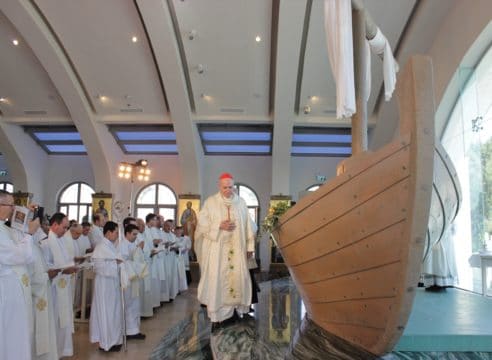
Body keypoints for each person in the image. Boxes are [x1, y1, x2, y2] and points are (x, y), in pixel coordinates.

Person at [195, 172, 257, 330]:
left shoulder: (241, 202)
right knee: (218, 281)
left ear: (234, 186)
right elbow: (202, 225)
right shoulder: (210, 202)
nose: (228, 190)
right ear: (219, 186)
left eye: (230, 187)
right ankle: (218, 317)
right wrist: (219, 226)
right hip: (218, 251)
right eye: (225, 187)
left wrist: (250, 247)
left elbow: (250, 226)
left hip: (238, 250)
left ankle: (235, 312)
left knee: (238, 279)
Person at [0, 190, 39, 360]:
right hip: (6, 292)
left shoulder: (3, 227)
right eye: (11, 205)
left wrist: (23, 212)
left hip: (12, 290)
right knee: (11, 333)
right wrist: (29, 234)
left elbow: (17, 235)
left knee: (16, 333)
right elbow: (21, 255)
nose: (13, 208)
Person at [44, 212, 78, 358]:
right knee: (54, 321)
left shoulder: (61, 241)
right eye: (64, 227)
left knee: (62, 321)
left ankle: (60, 350)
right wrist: (63, 270)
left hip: (62, 287)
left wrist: (71, 267)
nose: (65, 231)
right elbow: (46, 268)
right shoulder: (46, 243)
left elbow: (65, 261)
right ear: (55, 225)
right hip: (52, 291)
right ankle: (53, 352)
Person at [89, 221, 124, 352]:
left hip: (112, 284)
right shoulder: (100, 247)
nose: (117, 235)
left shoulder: (110, 246)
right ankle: (106, 343)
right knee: (105, 312)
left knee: (113, 312)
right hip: (104, 285)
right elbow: (99, 268)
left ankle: (114, 340)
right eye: (116, 233)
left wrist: (117, 263)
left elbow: (115, 260)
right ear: (109, 233)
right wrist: (116, 264)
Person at [119, 224, 147, 340]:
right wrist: (137, 249)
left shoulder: (132, 244)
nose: (136, 237)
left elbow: (138, 258)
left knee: (135, 304)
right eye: (134, 234)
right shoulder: (122, 245)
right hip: (128, 278)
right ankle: (127, 331)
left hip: (134, 277)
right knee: (128, 304)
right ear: (127, 233)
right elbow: (123, 261)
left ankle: (134, 330)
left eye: (137, 234)